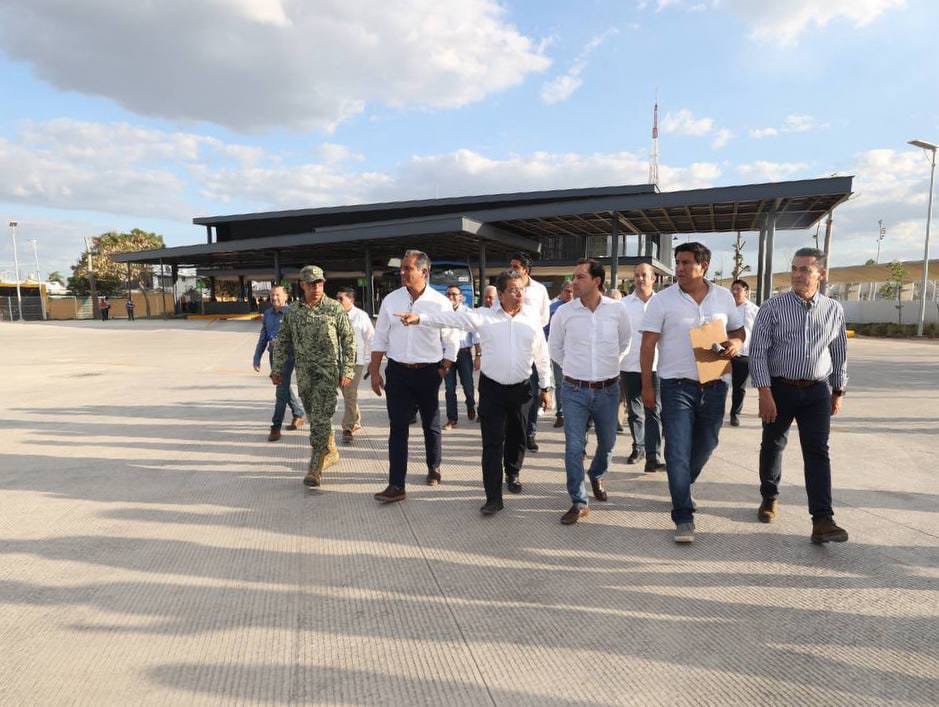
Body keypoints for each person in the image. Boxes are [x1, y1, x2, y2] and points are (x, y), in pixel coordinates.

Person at [395, 270, 552, 514]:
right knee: (492, 444)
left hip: (521, 390)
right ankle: (493, 498)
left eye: (521, 289)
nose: (519, 294)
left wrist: (545, 386)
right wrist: (419, 318)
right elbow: (449, 319)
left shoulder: (531, 318)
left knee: (518, 437)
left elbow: (542, 355)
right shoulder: (483, 317)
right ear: (500, 294)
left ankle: (513, 472)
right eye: (513, 290)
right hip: (492, 390)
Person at [640, 242, 744, 543]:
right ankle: (683, 517)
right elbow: (647, 345)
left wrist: (736, 343)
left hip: (715, 383)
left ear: (704, 266)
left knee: (708, 443)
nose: (680, 268)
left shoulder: (723, 297)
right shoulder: (662, 301)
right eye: (678, 262)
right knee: (676, 450)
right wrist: (647, 386)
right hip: (676, 386)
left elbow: (738, 330)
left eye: (686, 262)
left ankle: (682, 485)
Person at [749, 248, 849, 544]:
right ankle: (769, 496)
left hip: (817, 391)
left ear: (821, 274)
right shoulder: (772, 307)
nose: (797, 274)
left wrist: (838, 390)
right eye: (794, 268)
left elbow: (839, 352)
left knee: (818, 451)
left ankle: (822, 519)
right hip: (779, 389)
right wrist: (764, 392)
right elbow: (758, 352)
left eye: (805, 269)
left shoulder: (833, 309)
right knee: (773, 444)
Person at [369, 250, 459, 503]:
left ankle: (434, 466)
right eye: (402, 268)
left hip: (429, 372)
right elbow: (380, 337)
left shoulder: (440, 303)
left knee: (431, 424)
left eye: (408, 268)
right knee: (398, 428)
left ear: (424, 272)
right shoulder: (391, 300)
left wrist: (444, 367)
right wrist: (375, 371)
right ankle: (396, 484)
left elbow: (451, 338)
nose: (402, 272)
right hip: (398, 372)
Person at [549, 258, 631, 525]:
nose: (574, 281)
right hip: (574, 390)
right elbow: (555, 348)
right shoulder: (564, 313)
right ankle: (579, 501)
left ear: (597, 281)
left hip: (608, 390)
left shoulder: (617, 310)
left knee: (607, 443)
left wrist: (609, 364)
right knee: (574, 447)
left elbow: (625, 342)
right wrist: (575, 369)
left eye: (580, 277)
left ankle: (596, 474)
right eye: (574, 276)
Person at [271, 266, 355, 488]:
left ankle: (315, 465)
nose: (316, 287)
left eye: (319, 283)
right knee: (315, 416)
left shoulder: (334, 308)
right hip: (304, 374)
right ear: (302, 285)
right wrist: (277, 369)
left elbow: (348, 339)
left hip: (327, 373)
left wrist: (347, 369)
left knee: (319, 418)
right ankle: (331, 451)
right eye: (311, 283)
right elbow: (283, 341)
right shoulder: (293, 312)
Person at [620, 263, 665, 473]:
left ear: (653, 278)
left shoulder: (663, 303)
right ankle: (638, 447)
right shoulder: (623, 305)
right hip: (629, 365)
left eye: (644, 275)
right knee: (634, 411)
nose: (640, 279)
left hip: (656, 365)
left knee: (654, 410)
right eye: (636, 275)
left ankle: (653, 455)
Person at [507, 253, 550, 452]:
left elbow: (544, 318)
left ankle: (530, 433)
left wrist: (529, 328)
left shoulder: (539, 290)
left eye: (516, 266)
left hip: (531, 348)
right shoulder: (507, 286)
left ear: (525, 269)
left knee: (531, 395)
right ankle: (513, 432)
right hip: (510, 348)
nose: (512, 269)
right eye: (511, 266)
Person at [254, 284, 306, 442]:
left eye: (277, 295)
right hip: (274, 356)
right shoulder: (267, 314)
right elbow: (263, 336)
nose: (274, 298)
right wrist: (257, 357)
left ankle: (275, 427)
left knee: (281, 390)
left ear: (285, 297)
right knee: (283, 386)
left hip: (289, 356)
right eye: (272, 295)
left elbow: (301, 336)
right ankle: (298, 414)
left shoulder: (293, 313)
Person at [336, 287, 374, 444]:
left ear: (351, 300)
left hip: (355, 362)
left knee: (350, 393)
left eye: (341, 298)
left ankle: (347, 427)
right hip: (338, 361)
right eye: (336, 298)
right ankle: (356, 419)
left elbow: (371, 338)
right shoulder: (334, 315)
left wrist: (371, 361)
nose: (337, 301)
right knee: (347, 394)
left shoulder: (361, 316)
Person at [442, 284, 478, 429]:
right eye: (448, 294)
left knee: (468, 386)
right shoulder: (442, 313)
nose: (451, 297)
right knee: (449, 388)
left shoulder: (468, 313)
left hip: (464, 353)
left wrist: (478, 355)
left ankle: (470, 404)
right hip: (447, 355)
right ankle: (452, 419)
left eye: (454, 294)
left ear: (461, 297)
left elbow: (476, 334)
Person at [728, 279, 760, 427]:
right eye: (733, 289)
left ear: (746, 291)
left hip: (743, 354)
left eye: (738, 289)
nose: (735, 292)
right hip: (724, 352)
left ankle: (735, 413)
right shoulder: (726, 308)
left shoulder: (754, 310)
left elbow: (759, 332)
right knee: (718, 384)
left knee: (739, 386)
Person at [546, 280, 573, 428]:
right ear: (561, 292)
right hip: (558, 352)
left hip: (575, 353)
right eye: (567, 291)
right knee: (560, 383)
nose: (570, 294)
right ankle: (560, 414)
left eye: (572, 291)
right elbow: (545, 330)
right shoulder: (553, 309)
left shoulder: (579, 307)